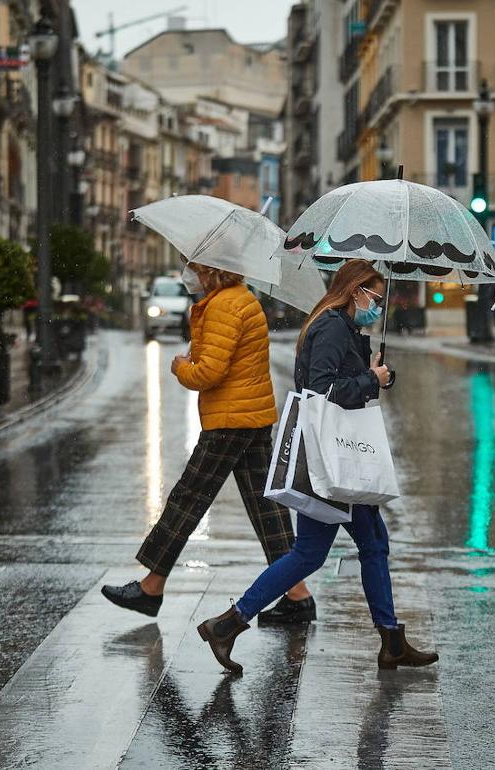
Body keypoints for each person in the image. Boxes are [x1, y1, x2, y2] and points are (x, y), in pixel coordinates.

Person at [195, 260, 438, 675]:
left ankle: (231, 624)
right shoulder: (329, 328)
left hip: (336, 459)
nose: (377, 306)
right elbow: (320, 390)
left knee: (345, 548)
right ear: (355, 291)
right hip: (332, 461)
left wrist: (376, 372)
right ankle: (228, 624)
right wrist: (369, 381)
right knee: (346, 547)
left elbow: (341, 380)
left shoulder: (343, 328)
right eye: (375, 298)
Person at [101, 262, 315, 623]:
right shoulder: (240, 299)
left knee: (189, 497)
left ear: (211, 272)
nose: (189, 274)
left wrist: (181, 366)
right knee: (266, 507)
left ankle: (151, 587)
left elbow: (208, 373)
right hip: (252, 415)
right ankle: (297, 594)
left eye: (195, 268)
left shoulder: (224, 305)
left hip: (230, 420)